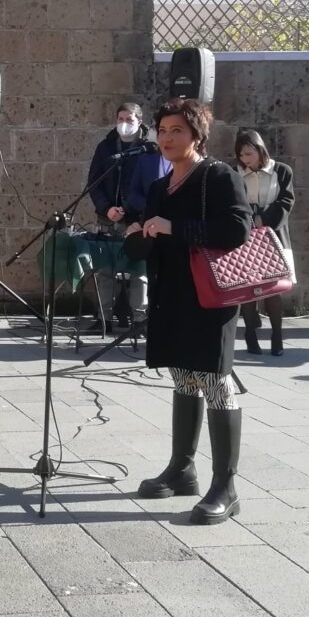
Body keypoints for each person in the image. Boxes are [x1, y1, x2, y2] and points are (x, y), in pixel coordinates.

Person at [126, 98, 251, 525]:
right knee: (183, 376)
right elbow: (152, 239)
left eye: (176, 130)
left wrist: (174, 228)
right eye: (161, 130)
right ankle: (182, 468)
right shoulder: (161, 187)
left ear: (196, 135)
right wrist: (138, 233)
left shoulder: (218, 176)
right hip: (172, 294)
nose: (166, 138)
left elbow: (237, 229)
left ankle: (226, 486)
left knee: (216, 380)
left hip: (211, 297)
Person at [86, 102, 152, 331]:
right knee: (105, 269)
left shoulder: (148, 149)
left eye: (129, 120)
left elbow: (154, 185)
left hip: (137, 220)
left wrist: (135, 214)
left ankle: (140, 318)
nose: (124, 124)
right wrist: (107, 209)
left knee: (139, 270)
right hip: (108, 218)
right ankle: (104, 317)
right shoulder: (105, 147)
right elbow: (94, 183)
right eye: (120, 119)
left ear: (139, 122)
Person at [235, 129, 295, 356]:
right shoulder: (236, 173)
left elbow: (286, 201)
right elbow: (236, 201)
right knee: (249, 288)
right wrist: (250, 218)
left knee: (273, 288)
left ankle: (277, 334)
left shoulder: (281, 171)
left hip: (274, 235)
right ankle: (250, 332)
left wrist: (263, 217)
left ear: (260, 150)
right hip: (247, 235)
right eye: (241, 155)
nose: (245, 159)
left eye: (249, 154)